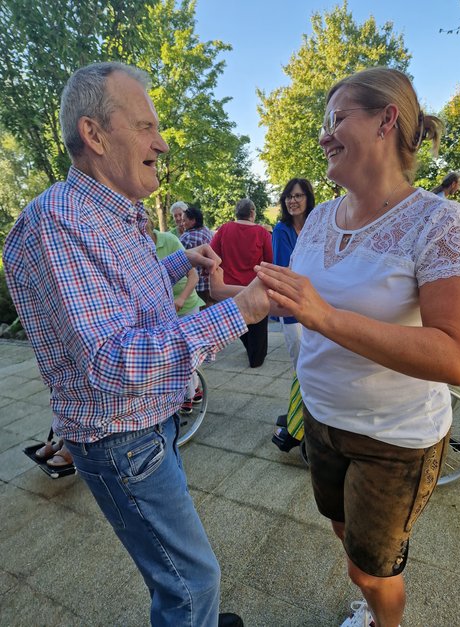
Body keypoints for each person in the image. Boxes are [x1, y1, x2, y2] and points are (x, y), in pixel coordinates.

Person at [2, 61, 271, 627]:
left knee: (182, 571)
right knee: (190, 582)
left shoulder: (104, 213)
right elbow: (110, 359)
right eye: (146, 126)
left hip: (147, 425)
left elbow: (122, 295)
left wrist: (178, 261)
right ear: (94, 135)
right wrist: (239, 312)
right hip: (124, 437)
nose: (163, 142)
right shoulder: (59, 222)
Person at [255, 67, 460, 627]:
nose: (323, 135)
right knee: (343, 532)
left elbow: (455, 356)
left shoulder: (439, 220)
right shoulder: (321, 217)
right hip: (320, 420)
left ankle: (384, 621)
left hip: (394, 440)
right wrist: (236, 290)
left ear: (386, 120)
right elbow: (300, 301)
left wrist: (325, 317)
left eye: (337, 119)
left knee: (370, 571)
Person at [269, 178, 315, 450]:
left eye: (298, 195)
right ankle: (301, 423)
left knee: (316, 367)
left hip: (318, 306)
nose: (293, 200)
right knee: (302, 369)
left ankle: (305, 419)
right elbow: (285, 270)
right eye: (288, 196)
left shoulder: (317, 226)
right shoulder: (282, 230)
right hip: (293, 310)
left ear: (308, 198)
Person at [211, 198, 273, 368]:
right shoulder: (262, 233)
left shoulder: (224, 229)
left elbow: (213, 256)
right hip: (255, 286)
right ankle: (256, 359)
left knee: (238, 321)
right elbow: (269, 260)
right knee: (259, 325)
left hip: (229, 287)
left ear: (236, 213)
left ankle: (250, 349)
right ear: (252, 213)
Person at [153, 228, 205, 414]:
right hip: (164, 307)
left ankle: (187, 395)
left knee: (187, 353)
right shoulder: (136, 246)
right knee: (176, 354)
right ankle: (194, 388)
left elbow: (193, 275)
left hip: (186, 302)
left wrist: (181, 299)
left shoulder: (169, 240)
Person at [180, 206, 215, 307]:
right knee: (209, 306)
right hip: (208, 278)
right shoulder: (206, 230)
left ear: (193, 221)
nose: (182, 223)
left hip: (195, 282)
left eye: (184, 220)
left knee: (199, 308)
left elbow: (180, 257)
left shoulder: (187, 237)